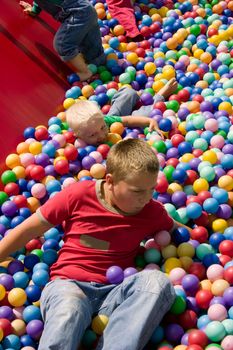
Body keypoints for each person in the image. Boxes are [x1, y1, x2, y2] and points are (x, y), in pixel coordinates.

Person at [0, 138, 191, 350]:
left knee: (157, 282)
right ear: (110, 181)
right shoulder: (78, 195)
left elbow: (178, 230)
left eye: (152, 189)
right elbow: (28, 229)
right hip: (69, 286)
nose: (146, 198)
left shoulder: (151, 212)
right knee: (69, 308)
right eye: (137, 191)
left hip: (116, 294)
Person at [66, 78, 178, 144]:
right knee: (151, 112)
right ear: (78, 136)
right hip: (121, 130)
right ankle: (160, 95)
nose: (102, 135)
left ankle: (132, 98)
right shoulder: (80, 140)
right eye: (92, 135)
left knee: (129, 92)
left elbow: (127, 120)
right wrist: (148, 118)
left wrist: (149, 121)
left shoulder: (104, 120)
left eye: (103, 128)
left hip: (113, 118)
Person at [19, 0, 106, 81]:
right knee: (94, 54)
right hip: (87, 10)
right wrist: (35, 9)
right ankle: (100, 66)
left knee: (62, 45)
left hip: (78, 14)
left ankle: (85, 72)